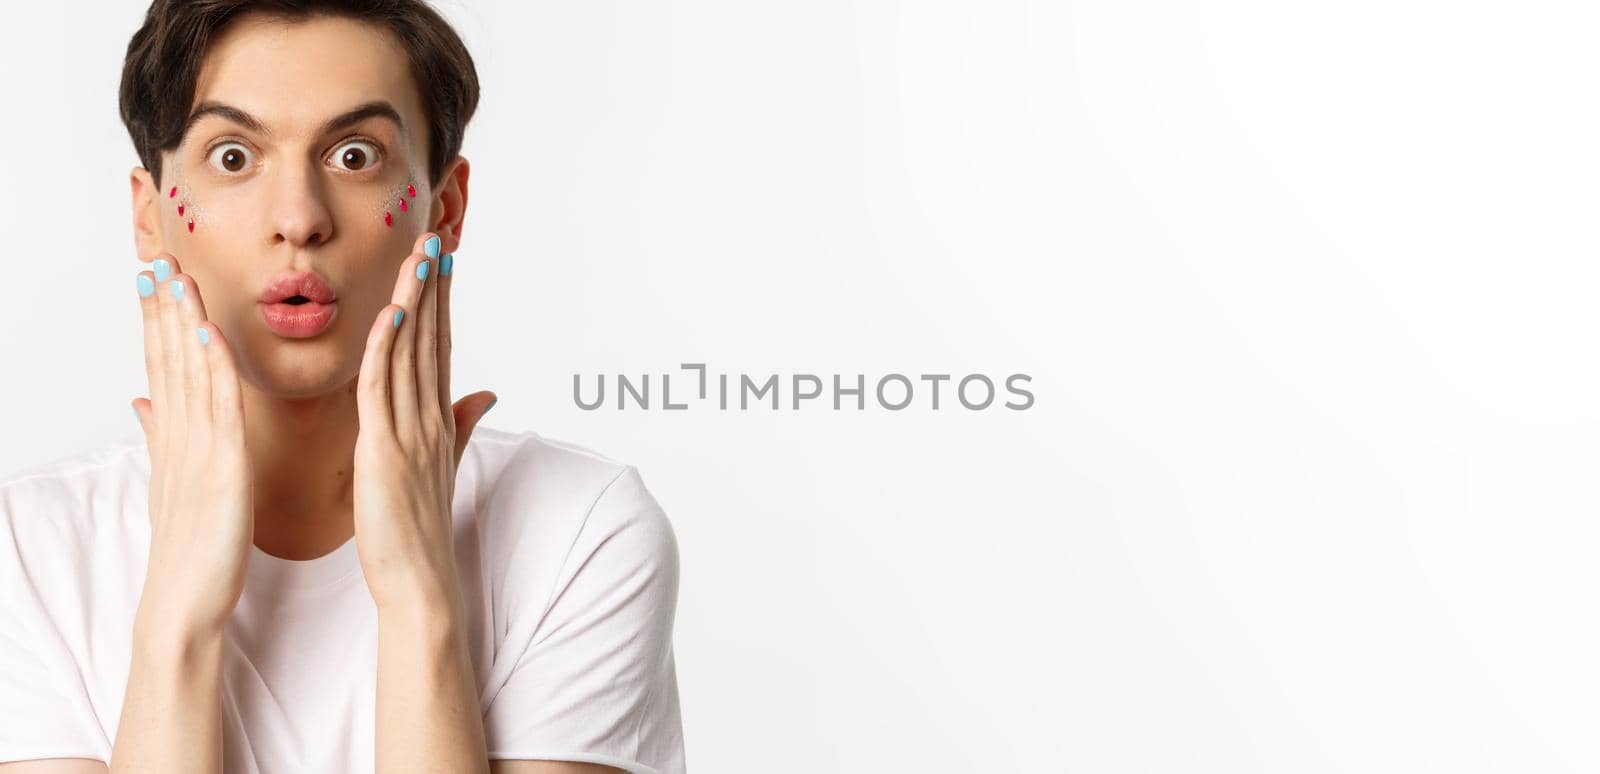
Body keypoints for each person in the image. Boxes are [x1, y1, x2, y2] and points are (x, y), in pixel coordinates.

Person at [0, 1, 687, 772]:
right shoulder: (29, 552)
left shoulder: (575, 532)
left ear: (446, 208)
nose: (298, 219)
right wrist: (176, 625)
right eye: (233, 157)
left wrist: (422, 605)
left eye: (355, 155)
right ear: (150, 215)